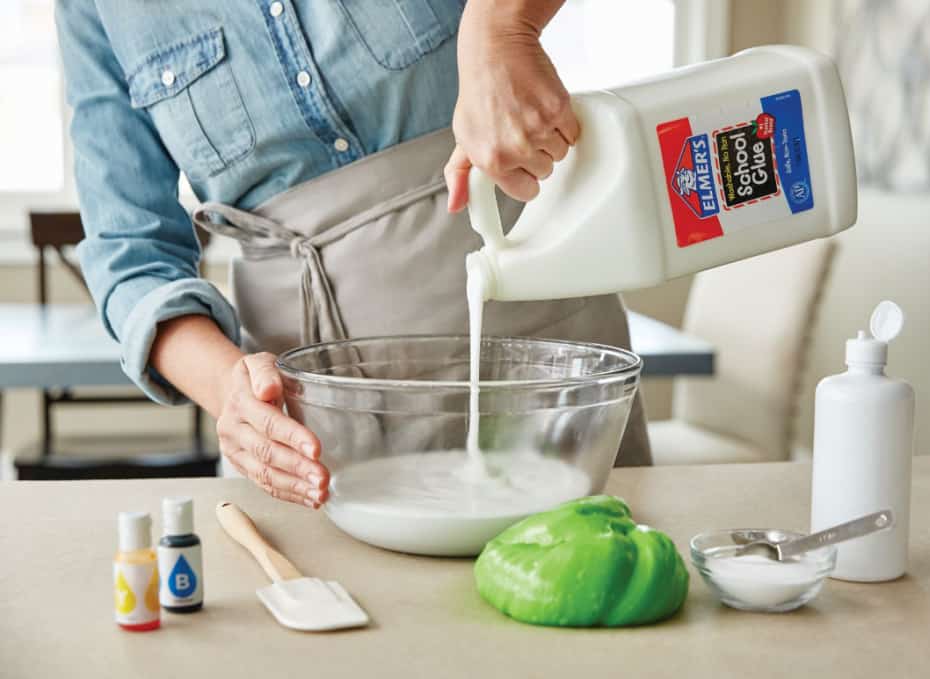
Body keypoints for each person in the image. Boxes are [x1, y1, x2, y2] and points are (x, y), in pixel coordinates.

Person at [56, 0, 651, 508]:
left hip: (536, 348)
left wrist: (502, 26)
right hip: (311, 419)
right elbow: (130, 254)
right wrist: (230, 391)